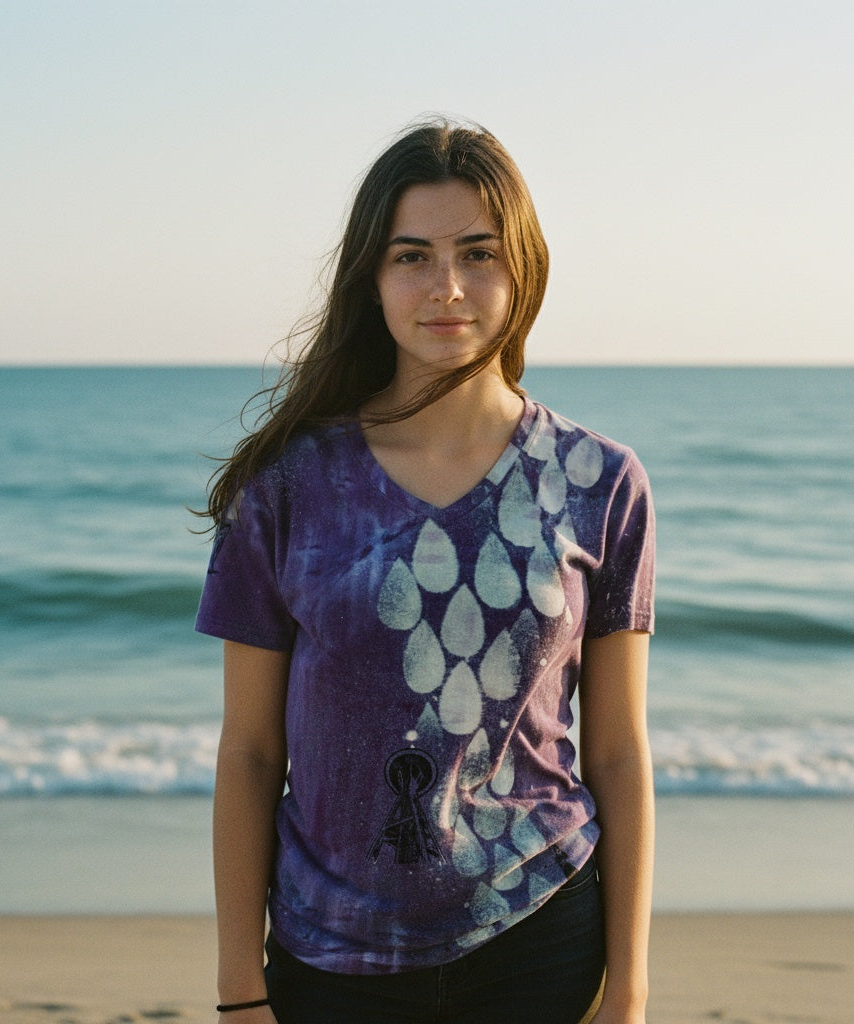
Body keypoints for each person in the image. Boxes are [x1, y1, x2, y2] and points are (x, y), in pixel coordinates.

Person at [196, 118, 655, 1024]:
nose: (447, 287)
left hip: (543, 934)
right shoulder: (289, 486)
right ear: (372, 279)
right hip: (327, 954)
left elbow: (615, 751)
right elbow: (250, 754)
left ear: (521, 267)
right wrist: (237, 990)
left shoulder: (601, 481)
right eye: (412, 256)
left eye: (478, 252)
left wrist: (630, 989)